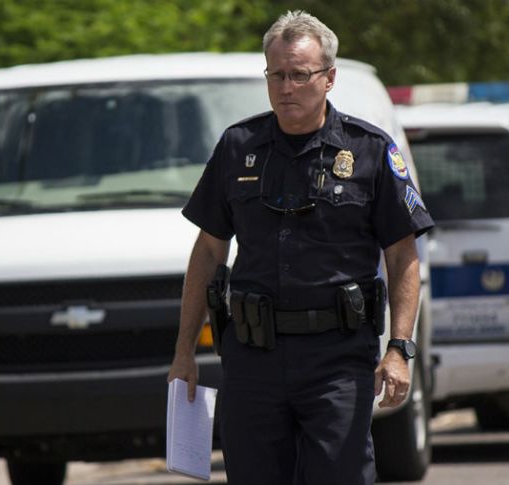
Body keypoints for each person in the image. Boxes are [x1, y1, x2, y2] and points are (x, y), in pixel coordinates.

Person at [167, 10, 434, 485]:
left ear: (328, 78)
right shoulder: (238, 147)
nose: (286, 87)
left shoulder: (369, 150)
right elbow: (208, 251)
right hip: (252, 357)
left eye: (299, 75)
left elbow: (401, 255)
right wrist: (184, 351)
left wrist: (398, 347)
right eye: (277, 75)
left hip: (337, 358)